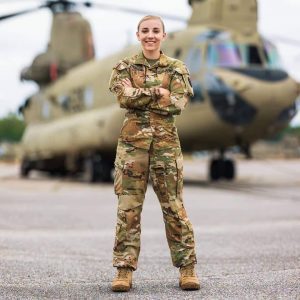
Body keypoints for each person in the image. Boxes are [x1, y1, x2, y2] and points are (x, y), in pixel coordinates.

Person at [109, 15, 200, 292]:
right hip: (132, 148)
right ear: (138, 35)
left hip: (165, 148)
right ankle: (123, 271)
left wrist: (142, 94)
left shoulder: (176, 68)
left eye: (155, 31)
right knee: (128, 210)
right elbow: (124, 97)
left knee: (174, 208)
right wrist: (158, 92)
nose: (150, 35)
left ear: (163, 35)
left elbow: (178, 102)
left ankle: (187, 269)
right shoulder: (124, 66)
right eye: (145, 31)